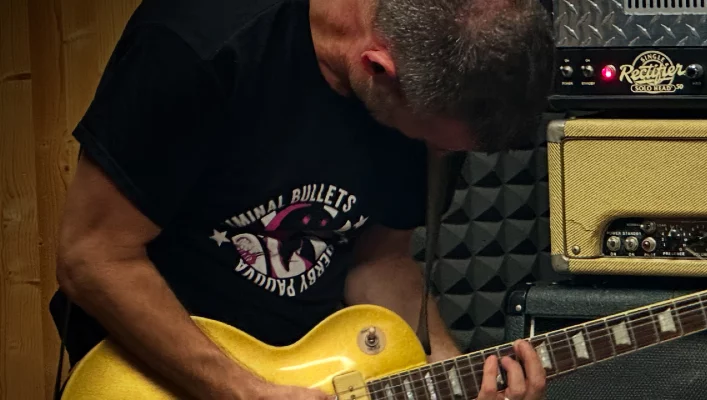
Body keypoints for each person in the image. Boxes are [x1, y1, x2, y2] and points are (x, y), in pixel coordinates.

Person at [49, 0, 554, 398]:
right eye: (429, 138)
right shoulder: (198, 43)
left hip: (307, 377)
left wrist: (452, 371)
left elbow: (378, 261)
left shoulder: (433, 91)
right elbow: (92, 257)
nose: (439, 154)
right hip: (156, 379)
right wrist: (242, 390)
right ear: (378, 68)